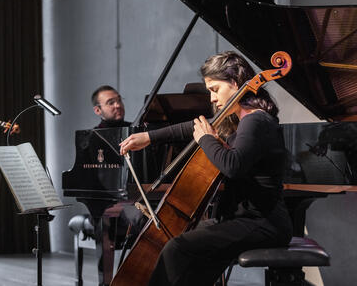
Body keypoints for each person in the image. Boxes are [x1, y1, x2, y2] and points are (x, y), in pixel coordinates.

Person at [119, 51, 293, 286]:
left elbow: (232, 166)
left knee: (176, 248)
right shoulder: (241, 119)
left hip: (263, 223)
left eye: (214, 89)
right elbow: (194, 127)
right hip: (239, 219)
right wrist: (149, 137)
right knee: (178, 240)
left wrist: (207, 140)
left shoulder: (256, 120)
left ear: (234, 82)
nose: (211, 98)